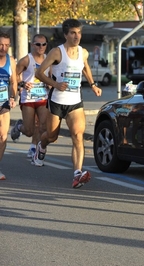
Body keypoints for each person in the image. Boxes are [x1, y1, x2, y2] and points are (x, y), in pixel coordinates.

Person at [33, 19, 102, 188]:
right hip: (57, 100)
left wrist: (93, 84)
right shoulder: (57, 53)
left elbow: (85, 67)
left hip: (75, 102)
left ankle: (77, 174)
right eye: (73, 33)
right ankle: (41, 147)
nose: (76, 36)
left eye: (79, 32)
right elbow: (39, 72)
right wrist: (56, 84)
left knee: (78, 136)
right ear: (66, 34)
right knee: (51, 136)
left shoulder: (83, 52)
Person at [11, 34, 50, 160]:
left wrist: (50, 83)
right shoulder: (26, 60)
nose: (41, 47)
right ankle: (19, 126)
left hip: (43, 96)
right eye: (38, 44)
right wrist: (22, 83)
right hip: (28, 97)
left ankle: (34, 148)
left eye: (43, 44)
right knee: (29, 130)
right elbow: (15, 76)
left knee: (42, 125)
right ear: (32, 45)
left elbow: (52, 74)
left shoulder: (49, 59)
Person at [0, 32, 18, 180]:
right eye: (0, 44)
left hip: (3, 102)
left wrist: (13, 97)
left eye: (6, 45)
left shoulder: (10, 60)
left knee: (3, 136)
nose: (3, 48)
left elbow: (14, 82)